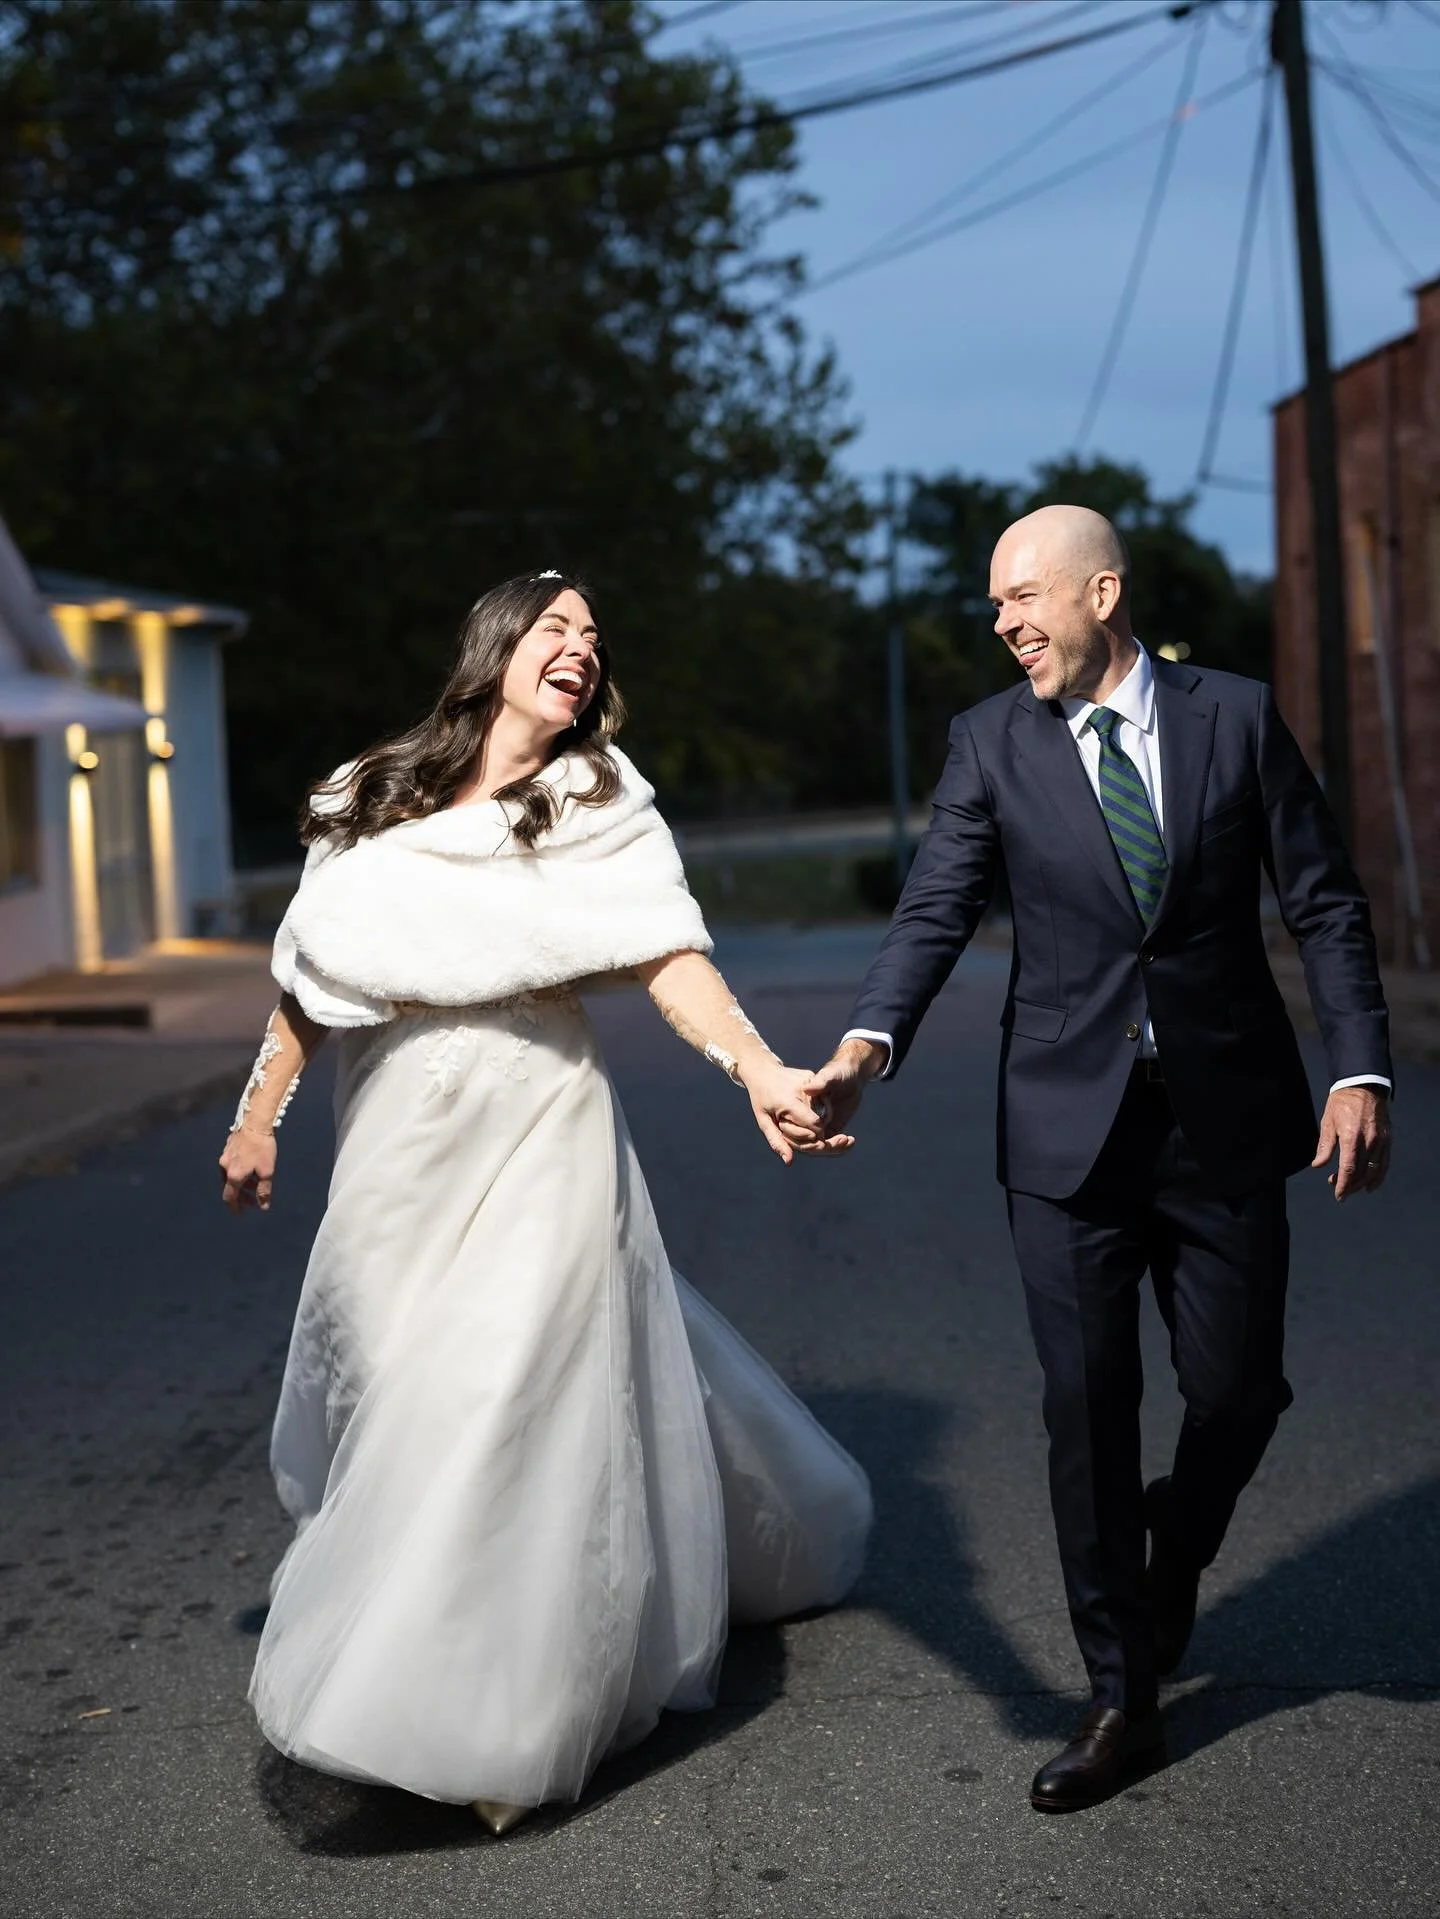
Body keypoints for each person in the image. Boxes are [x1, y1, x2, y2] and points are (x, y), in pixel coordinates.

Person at [219, 570, 870, 1833]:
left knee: (503, 1386)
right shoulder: (370, 793)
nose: (580, 646)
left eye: (592, 635)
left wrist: (757, 1068)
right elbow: (310, 972)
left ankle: (495, 1714)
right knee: (406, 1376)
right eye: (556, 626)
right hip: (400, 1128)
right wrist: (259, 1115)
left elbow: (667, 951)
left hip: (541, 1115)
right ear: (497, 645)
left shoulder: (595, 797)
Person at [801, 505, 1392, 1814]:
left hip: (1226, 1120)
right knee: (1088, 1408)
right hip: (1064, 1137)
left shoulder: (1233, 717)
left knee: (1239, 1393)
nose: (1005, 622)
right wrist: (863, 1043)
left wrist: (1358, 1063)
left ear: (1102, 590)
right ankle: (1120, 1689)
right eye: (994, 605)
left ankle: (1173, 1551)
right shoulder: (988, 743)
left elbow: (1325, 898)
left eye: (1024, 596)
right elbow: (935, 907)